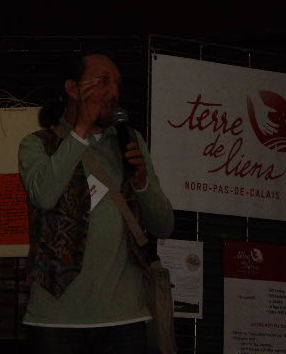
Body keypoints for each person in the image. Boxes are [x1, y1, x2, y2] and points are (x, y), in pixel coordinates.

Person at [19, 53, 174, 354]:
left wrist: (142, 183)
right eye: (103, 81)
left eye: (117, 83)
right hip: (56, 318)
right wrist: (80, 131)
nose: (114, 92)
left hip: (125, 317)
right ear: (73, 89)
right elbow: (44, 195)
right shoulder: (37, 144)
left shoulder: (130, 141)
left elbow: (164, 225)